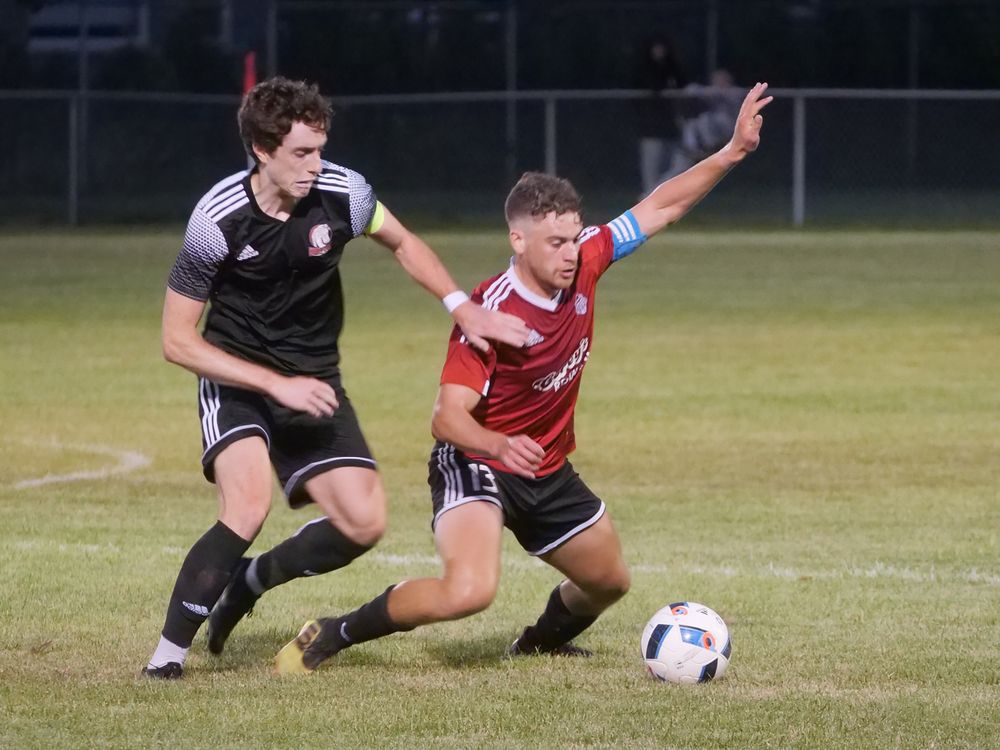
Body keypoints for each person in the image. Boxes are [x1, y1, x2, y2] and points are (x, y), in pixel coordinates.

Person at [274, 83, 773, 674]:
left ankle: (539, 642)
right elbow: (446, 418)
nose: (570, 252)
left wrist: (732, 152)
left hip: (543, 464)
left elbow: (660, 206)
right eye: (555, 242)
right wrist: (496, 444)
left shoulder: (588, 256)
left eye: (574, 237)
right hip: (476, 461)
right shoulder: (492, 314)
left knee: (609, 582)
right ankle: (336, 631)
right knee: (469, 592)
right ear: (519, 240)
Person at [143, 76, 530, 679]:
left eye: (320, 148)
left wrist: (460, 303)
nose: (315, 164)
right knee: (248, 504)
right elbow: (176, 340)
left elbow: (402, 242)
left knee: (364, 523)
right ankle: (165, 661)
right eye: (301, 152)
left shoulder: (343, 192)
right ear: (263, 151)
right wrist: (273, 384)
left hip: (314, 379)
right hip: (238, 378)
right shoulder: (216, 219)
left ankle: (250, 580)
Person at [664, 69, 744, 181]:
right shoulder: (710, 91)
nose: (720, 82)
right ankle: (692, 148)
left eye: (723, 79)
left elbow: (733, 98)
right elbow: (692, 89)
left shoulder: (734, 92)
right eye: (717, 79)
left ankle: (706, 146)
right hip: (706, 136)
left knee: (709, 118)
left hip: (729, 129)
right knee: (697, 122)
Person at [634, 35, 688, 197]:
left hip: (669, 127)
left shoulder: (671, 67)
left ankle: (660, 196)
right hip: (650, 129)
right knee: (650, 168)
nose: (659, 52)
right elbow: (647, 86)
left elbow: (681, 83)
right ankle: (647, 199)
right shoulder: (644, 69)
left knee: (675, 166)